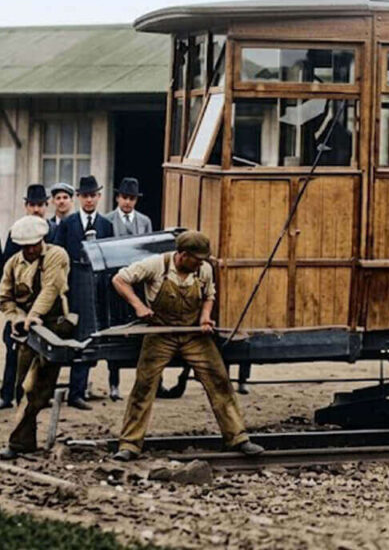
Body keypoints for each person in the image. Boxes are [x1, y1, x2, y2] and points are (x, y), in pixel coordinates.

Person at [110, 231, 263, 461]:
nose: (201, 263)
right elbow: (119, 279)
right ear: (182, 255)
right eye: (197, 259)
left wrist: (204, 318)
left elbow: (209, 295)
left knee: (219, 379)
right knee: (144, 385)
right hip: (160, 333)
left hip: (193, 335)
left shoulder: (204, 270)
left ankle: (238, 438)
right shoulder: (155, 265)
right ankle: (130, 444)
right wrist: (139, 306)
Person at [0, 216, 72, 461]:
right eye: (25, 245)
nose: (31, 249)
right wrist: (18, 318)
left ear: (42, 239)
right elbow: (5, 298)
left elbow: (51, 289)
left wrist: (33, 316)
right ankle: (24, 442)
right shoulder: (13, 264)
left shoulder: (56, 255)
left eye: (34, 244)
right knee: (22, 385)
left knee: (38, 387)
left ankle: (18, 441)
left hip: (54, 327)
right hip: (28, 330)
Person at [54, 175, 113, 410]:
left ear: (99, 197)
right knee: (67, 334)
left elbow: (110, 259)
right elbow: (57, 256)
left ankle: (78, 391)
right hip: (72, 283)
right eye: (85, 196)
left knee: (89, 336)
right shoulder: (68, 224)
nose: (89, 200)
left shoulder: (106, 225)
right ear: (78, 198)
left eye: (93, 196)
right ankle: (55, 390)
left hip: (97, 285)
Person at [0, 185, 56, 410]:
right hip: (21, 302)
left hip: (46, 304)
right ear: (26, 206)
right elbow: (7, 267)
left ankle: (40, 395)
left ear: (46, 206)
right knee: (13, 347)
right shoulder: (17, 231)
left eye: (40, 205)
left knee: (45, 354)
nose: (36, 209)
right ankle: (7, 394)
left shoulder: (52, 231)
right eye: (32, 205)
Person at [103, 177, 153, 401]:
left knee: (141, 332)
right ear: (117, 198)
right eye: (124, 198)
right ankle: (114, 384)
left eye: (132, 198)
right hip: (115, 282)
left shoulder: (144, 221)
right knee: (116, 331)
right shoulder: (107, 221)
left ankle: (143, 383)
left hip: (138, 283)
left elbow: (149, 252)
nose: (127, 202)